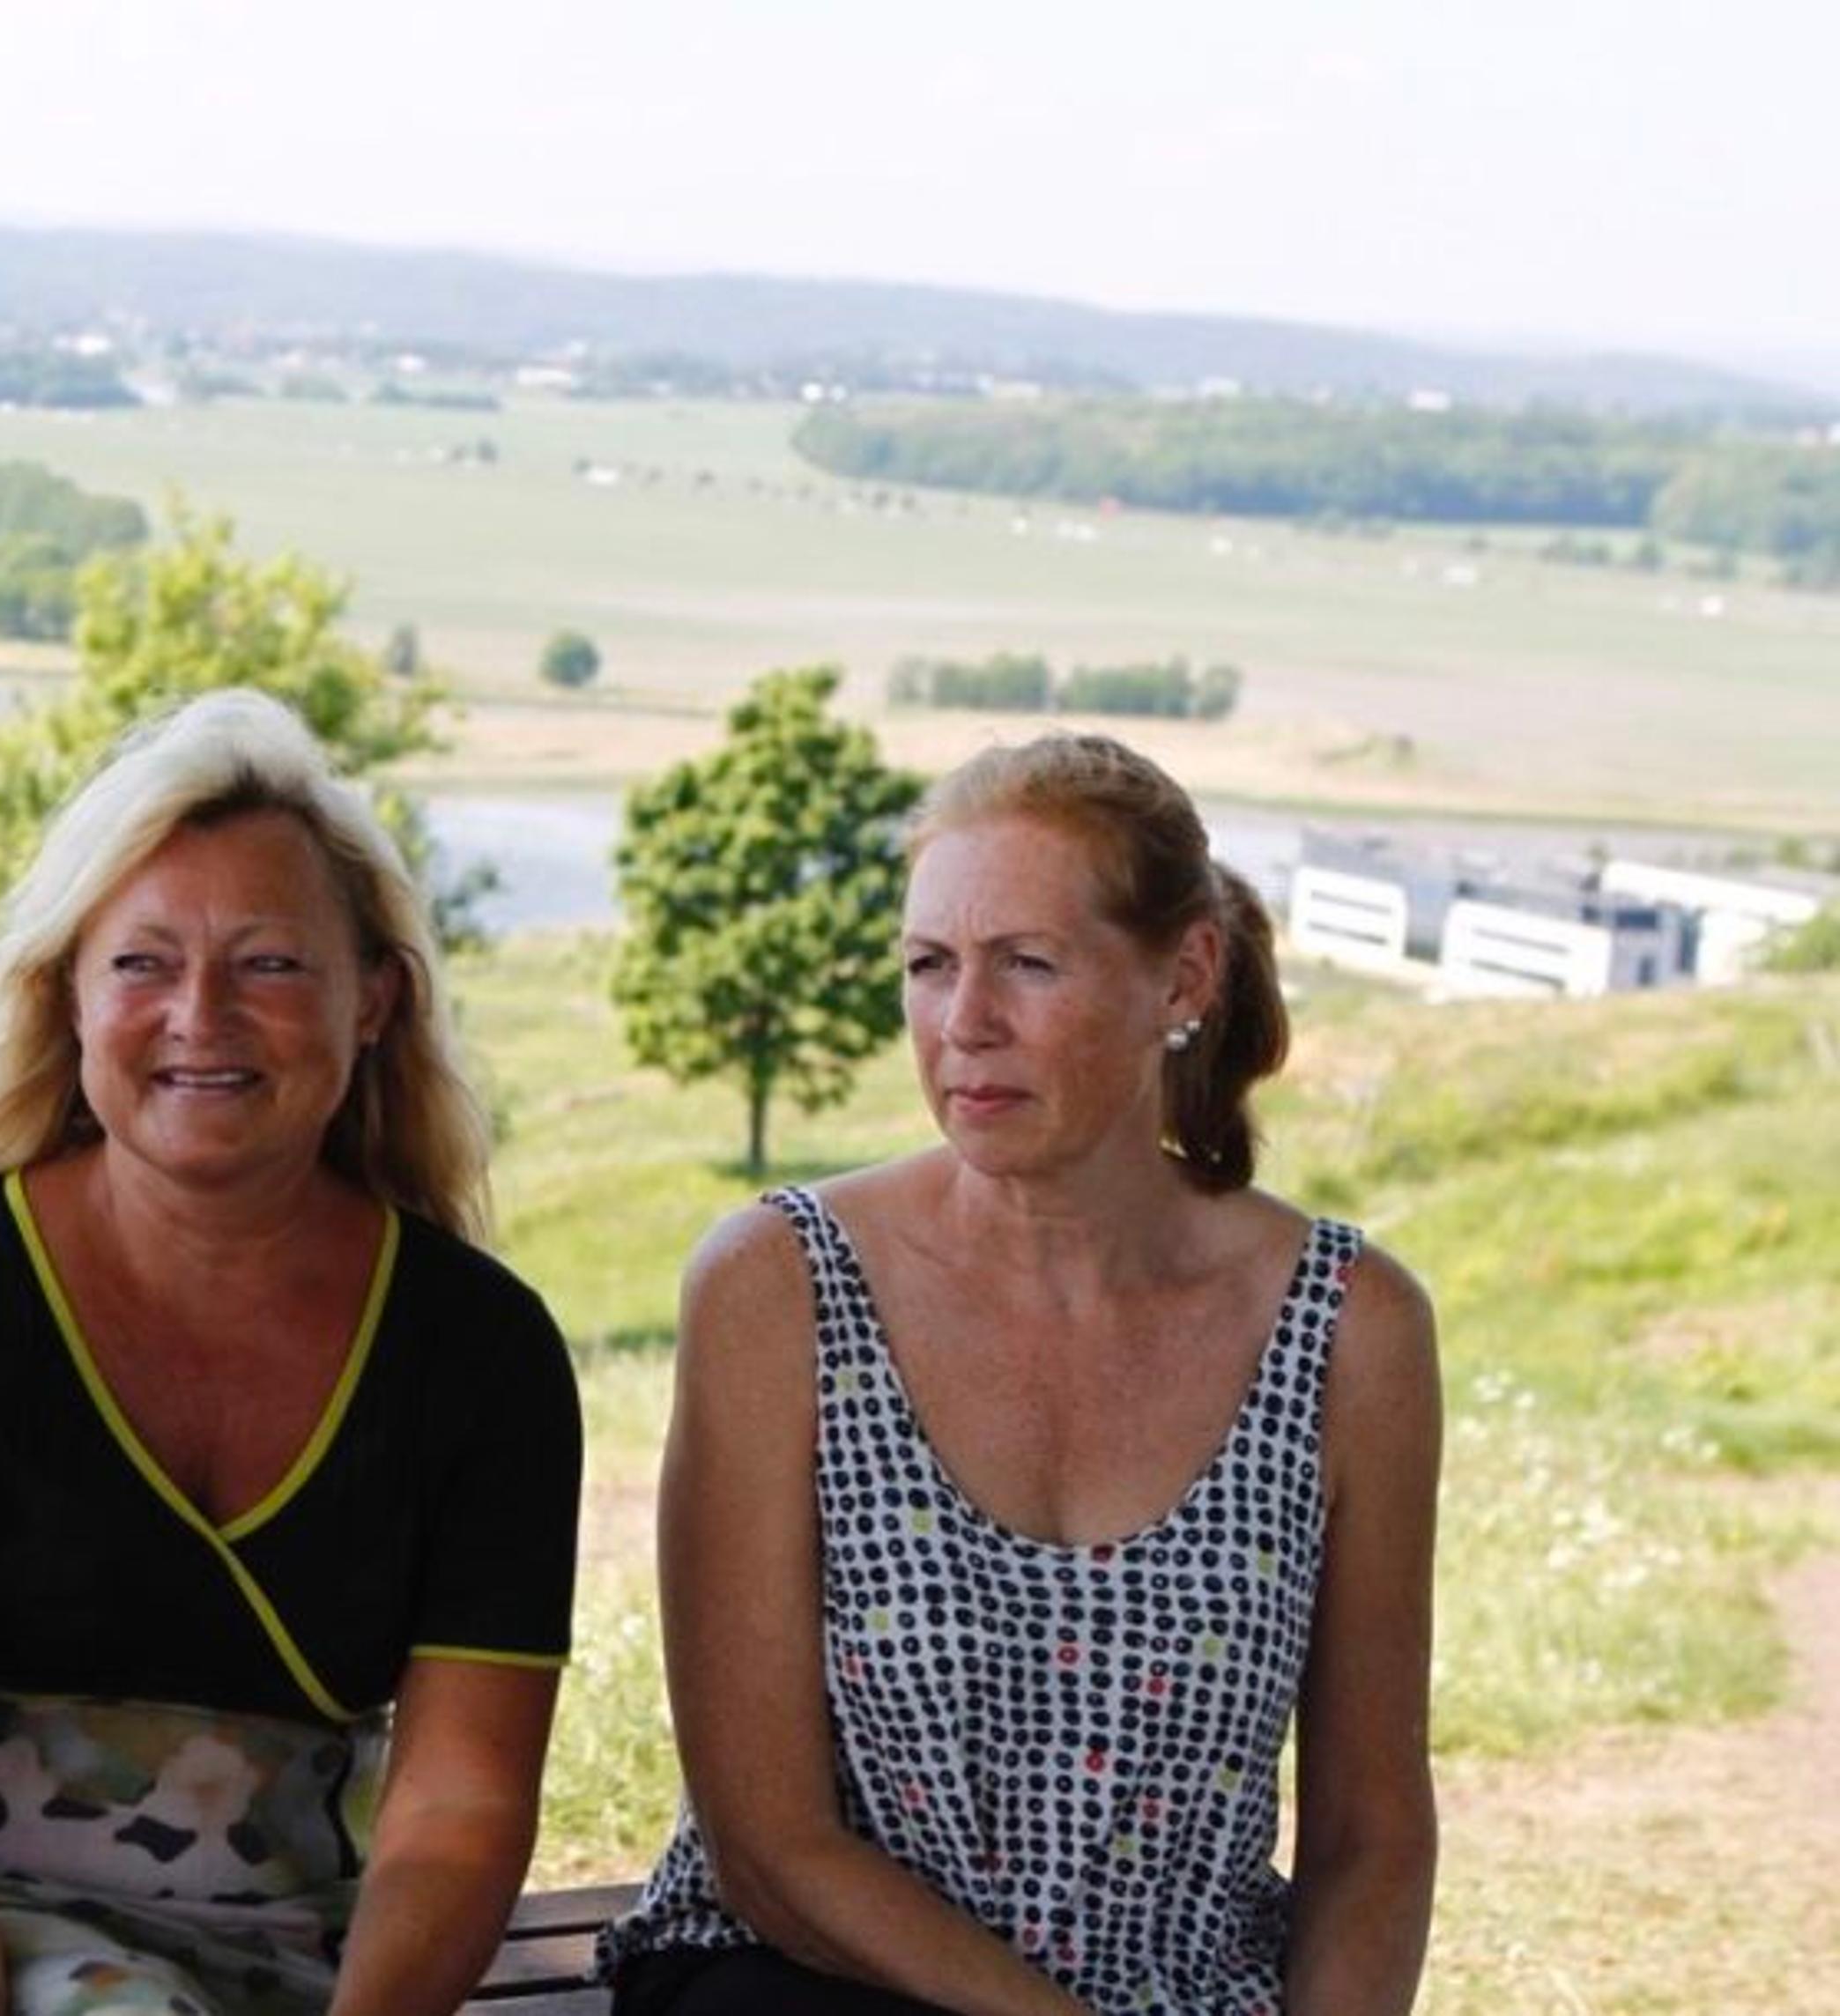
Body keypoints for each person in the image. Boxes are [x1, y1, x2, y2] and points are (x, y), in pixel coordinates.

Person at [0, 689, 582, 2015]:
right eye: (141, 964)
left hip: (284, 1954)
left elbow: (458, 1812)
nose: (200, 1014)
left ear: (374, 999)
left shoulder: (482, 1355)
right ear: (67, 996)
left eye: (270, 964)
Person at [597, 732, 1441, 2016]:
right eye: (929, 965)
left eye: (1028, 964)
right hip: (805, 1982)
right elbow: (768, 1846)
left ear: (1184, 976)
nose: (964, 1024)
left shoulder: (1350, 1328)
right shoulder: (779, 1285)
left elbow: (1371, 1838)